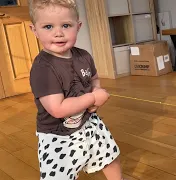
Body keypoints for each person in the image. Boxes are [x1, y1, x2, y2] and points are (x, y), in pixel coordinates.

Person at [28, 0, 125, 179]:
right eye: (48, 26)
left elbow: (94, 78)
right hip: (58, 134)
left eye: (66, 25)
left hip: (89, 122)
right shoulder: (43, 68)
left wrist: (96, 94)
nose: (58, 33)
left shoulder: (84, 56)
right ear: (34, 30)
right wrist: (93, 98)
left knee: (110, 157)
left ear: (78, 26)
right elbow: (57, 109)